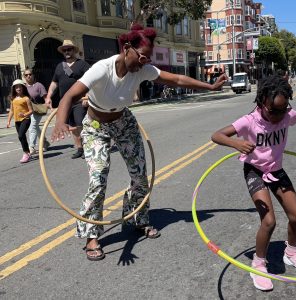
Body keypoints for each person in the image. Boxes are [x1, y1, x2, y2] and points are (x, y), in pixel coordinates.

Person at [51, 24, 227, 261]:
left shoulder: (142, 70)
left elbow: (175, 79)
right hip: (95, 126)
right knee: (98, 176)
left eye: (148, 58)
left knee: (139, 175)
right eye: (142, 55)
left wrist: (210, 85)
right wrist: (60, 122)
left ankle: (138, 218)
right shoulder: (102, 69)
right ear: (127, 48)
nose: (145, 61)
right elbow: (70, 94)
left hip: (124, 122)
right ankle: (91, 236)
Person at [211, 75, 296, 291]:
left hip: (276, 170)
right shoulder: (249, 121)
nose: (279, 116)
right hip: (255, 171)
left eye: (284, 110)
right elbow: (216, 135)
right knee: (269, 221)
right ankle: (258, 263)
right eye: (274, 111)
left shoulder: (285, 115)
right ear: (262, 102)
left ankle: (291, 252)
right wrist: (235, 143)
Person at [45, 39, 90, 159]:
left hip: (80, 100)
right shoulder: (60, 66)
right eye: (64, 50)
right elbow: (54, 83)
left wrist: (87, 96)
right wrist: (48, 96)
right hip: (65, 103)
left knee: (81, 124)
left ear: (74, 50)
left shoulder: (82, 64)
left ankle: (87, 147)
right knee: (72, 127)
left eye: (69, 49)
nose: (67, 52)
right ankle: (79, 148)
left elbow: (92, 81)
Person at [24, 68, 51, 155]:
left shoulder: (39, 85)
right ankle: (45, 142)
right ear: (24, 77)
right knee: (35, 127)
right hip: (28, 110)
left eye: (30, 74)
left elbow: (45, 98)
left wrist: (50, 107)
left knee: (32, 126)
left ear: (33, 75)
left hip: (38, 109)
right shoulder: (23, 87)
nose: (28, 76)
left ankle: (31, 147)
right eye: (26, 75)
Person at [6, 79, 34, 163]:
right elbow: (11, 110)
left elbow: (31, 111)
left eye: (20, 87)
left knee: (21, 135)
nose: (18, 88)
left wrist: (25, 115)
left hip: (26, 119)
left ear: (23, 88)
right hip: (17, 121)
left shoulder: (26, 98)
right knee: (22, 137)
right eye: (16, 87)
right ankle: (28, 153)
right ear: (14, 89)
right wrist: (8, 121)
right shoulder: (13, 99)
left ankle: (26, 153)